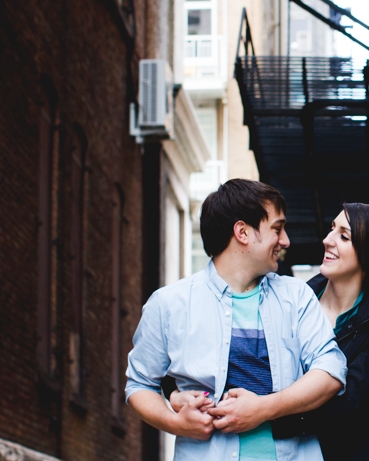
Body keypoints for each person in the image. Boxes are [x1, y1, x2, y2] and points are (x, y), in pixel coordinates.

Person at [125, 179, 347, 461]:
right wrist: (176, 423)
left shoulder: (298, 297)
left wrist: (264, 408)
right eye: (277, 229)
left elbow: (331, 371)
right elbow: (140, 385)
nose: (286, 240)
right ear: (242, 232)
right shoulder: (168, 304)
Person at [173, 203, 369, 461]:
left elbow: (349, 406)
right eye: (332, 229)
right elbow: (211, 356)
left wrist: (261, 412)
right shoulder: (290, 296)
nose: (327, 240)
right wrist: (176, 394)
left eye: (343, 236)